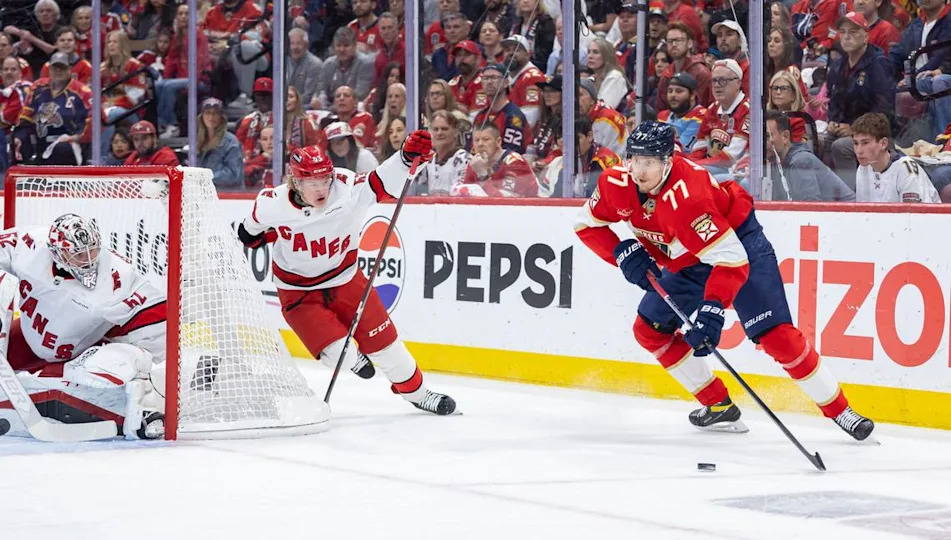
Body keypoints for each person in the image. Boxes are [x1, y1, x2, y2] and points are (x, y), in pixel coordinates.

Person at [574, 121, 875, 440]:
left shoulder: (689, 196)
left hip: (739, 244)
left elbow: (730, 259)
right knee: (649, 330)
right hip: (688, 259)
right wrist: (620, 251)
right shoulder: (615, 182)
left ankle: (842, 411)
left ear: (668, 161)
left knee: (776, 336)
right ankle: (718, 405)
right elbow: (586, 224)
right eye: (634, 159)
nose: (639, 170)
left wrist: (713, 309)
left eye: (649, 162)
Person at [237, 137, 457, 415]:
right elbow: (248, 234)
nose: (322, 189)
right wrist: (273, 233)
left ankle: (419, 394)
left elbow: (379, 181)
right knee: (338, 354)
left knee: (387, 347)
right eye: (312, 182)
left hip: (346, 281)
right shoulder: (272, 203)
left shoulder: (346, 187)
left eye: (325, 179)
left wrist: (404, 157)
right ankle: (353, 359)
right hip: (299, 293)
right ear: (294, 182)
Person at [0, 213, 167, 439]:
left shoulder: (118, 278)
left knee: (101, 372)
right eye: (77, 254)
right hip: (31, 335)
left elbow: (157, 319)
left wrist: (153, 374)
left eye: (93, 250)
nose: (88, 259)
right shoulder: (29, 244)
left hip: (75, 354)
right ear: (56, 252)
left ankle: (129, 410)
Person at [15, 52, 92, 166]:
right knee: (17, 140)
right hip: (41, 141)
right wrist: (18, 136)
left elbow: (91, 122)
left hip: (69, 143)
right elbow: (26, 115)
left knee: (62, 149)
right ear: (49, 69)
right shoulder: (38, 87)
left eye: (62, 67)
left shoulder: (82, 92)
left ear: (70, 69)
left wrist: (76, 138)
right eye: (55, 67)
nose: (58, 71)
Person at [766, 110, 855, 201]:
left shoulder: (800, 161)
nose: (761, 142)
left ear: (785, 136)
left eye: (767, 136)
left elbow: (810, 209)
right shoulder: (774, 162)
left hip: (846, 213)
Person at [851, 112, 940, 203]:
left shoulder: (906, 168)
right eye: (855, 143)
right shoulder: (863, 169)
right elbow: (864, 212)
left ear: (883, 144)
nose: (859, 151)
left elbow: (913, 214)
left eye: (865, 143)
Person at [689, 59, 750, 177]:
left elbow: (732, 156)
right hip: (712, 166)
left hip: (736, 170)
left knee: (697, 175)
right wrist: (690, 163)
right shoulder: (712, 109)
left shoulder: (748, 110)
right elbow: (699, 149)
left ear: (738, 83)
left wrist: (697, 166)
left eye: (722, 80)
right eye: (714, 81)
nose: (717, 85)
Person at [458, 123, 538, 197]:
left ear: (498, 142)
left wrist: (482, 175)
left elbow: (504, 203)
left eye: (486, 139)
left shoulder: (514, 161)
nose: (480, 144)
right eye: (476, 140)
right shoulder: (476, 162)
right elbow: (465, 194)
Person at [473, 63, 532, 154]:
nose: (489, 82)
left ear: (506, 83)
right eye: (485, 78)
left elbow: (511, 153)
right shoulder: (480, 116)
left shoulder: (514, 116)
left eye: (494, 78)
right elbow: (471, 147)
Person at [655, 22, 713, 110]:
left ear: (689, 43)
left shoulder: (701, 73)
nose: (674, 44)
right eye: (670, 41)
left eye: (678, 40)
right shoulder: (666, 73)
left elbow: (704, 107)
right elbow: (660, 107)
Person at [415, 110, 470, 195]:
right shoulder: (426, 161)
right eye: (435, 129)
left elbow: (460, 195)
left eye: (444, 129)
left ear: (455, 132)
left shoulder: (464, 159)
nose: (439, 133)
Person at [196, 98, 245, 190]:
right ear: (201, 117)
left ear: (221, 117)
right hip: (202, 193)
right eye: (208, 113)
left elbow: (234, 175)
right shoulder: (197, 141)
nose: (211, 117)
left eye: (215, 113)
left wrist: (205, 177)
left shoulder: (231, 142)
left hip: (227, 195)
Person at [501, 35, 547, 128]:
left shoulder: (533, 78)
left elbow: (530, 119)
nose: (511, 53)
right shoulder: (505, 76)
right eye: (507, 50)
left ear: (528, 54)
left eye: (517, 50)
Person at [656, 72, 705, 152]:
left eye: (679, 91)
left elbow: (682, 149)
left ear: (692, 95)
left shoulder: (700, 116)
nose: (673, 95)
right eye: (670, 91)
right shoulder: (662, 116)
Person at [578, 78, 628, 157]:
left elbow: (616, 156)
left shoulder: (609, 119)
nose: (575, 99)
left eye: (580, 95)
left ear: (592, 100)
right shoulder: (577, 119)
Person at [448, 40, 488, 118]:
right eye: (458, 55)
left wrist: (454, 107)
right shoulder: (451, 84)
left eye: (467, 55)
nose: (462, 59)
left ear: (478, 59)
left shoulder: (484, 82)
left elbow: (478, 115)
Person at [235, 77, 274, 159]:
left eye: (267, 95)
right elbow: (237, 147)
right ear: (255, 97)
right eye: (259, 95)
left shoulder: (282, 120)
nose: (263, 98)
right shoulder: (247, 120)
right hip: (248, 163)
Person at [287, 28, 323, 108]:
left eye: (299, 43)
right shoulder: (283, 62)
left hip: (305, 108)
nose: (295, 47)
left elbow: (308, 96)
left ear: (306, 45)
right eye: (292, 43)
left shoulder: (315, 64)